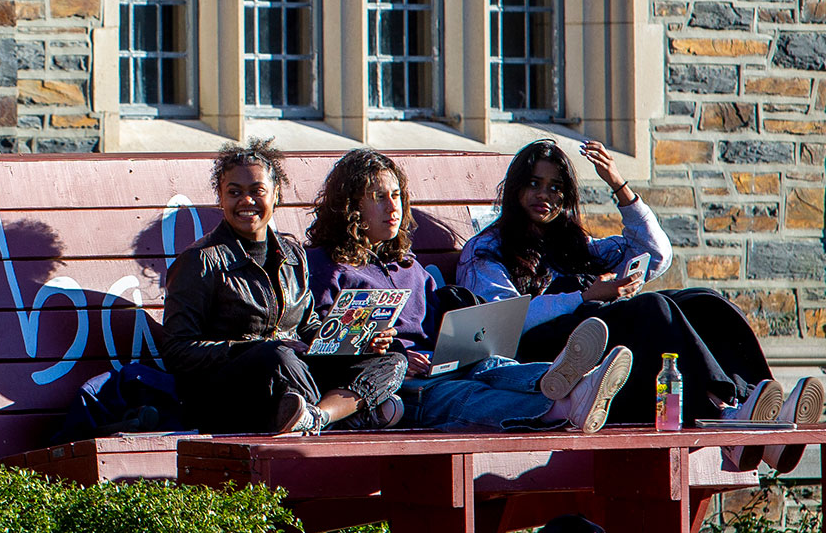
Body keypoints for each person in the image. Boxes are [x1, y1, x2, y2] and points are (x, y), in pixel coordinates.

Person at [458, 138, 817, 431]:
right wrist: (586, 295)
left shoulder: (572, 246)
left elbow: (656, 254)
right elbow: (503, 321)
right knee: (651, 308)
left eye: (555, 188)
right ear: (516, 188)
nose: (544, 196)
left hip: (595, 336)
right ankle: (726, 406)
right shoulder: (487, 249)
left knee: (699, 300)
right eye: (534, 184)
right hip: (546, 356)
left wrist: (619, 185)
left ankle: (757, 401)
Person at [305, 149, 630, 432]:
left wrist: (458, 346)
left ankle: (576, 381)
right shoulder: (328, 265)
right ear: (350, 206)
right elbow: (322, 340)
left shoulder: (408, 266)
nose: (394, 206)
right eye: (379, 197)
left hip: (436, 364)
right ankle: (564, 405)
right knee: (462, 396)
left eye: (396, 195)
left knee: (491, 367)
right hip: (390, 384)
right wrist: (397, 355)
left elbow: (435, 324)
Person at [163, 139, 408, 436]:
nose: (246, 201)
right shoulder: (200, 261)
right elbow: (177, 350)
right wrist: (254, 348)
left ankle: (317, 417)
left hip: (292, 373)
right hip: (230, 392)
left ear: (276, 194)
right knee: (278, 356)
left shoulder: (293, 254)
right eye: (234, 193)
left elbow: (307, 326)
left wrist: (356, 340)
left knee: (391, 360)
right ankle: (343, 419)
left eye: (257, 191)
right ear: (221, 198)